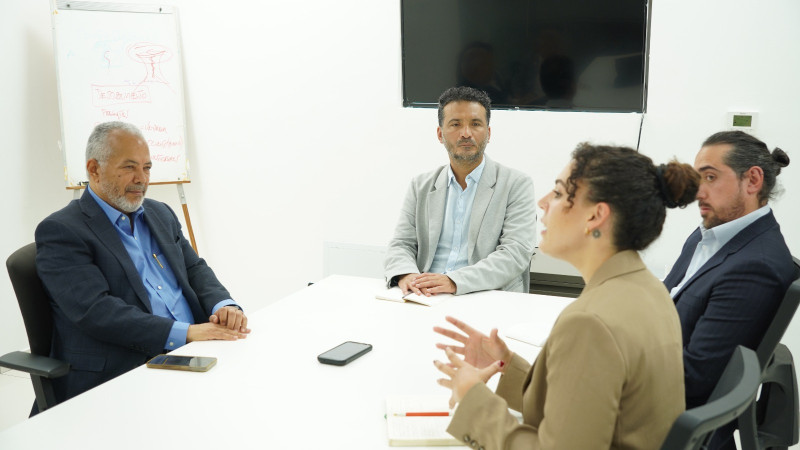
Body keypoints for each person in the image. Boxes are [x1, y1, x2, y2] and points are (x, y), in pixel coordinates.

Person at [434, 143, 700, 449]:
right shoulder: (650, 290)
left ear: (595, 216)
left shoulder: (590, 324)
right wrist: (507, 365)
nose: (543, 202)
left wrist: (473, 402)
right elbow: (590, 406)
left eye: (559, 194)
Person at [34, 121, 250, 411]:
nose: (141, 179)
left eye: (147, 168)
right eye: (129, 167)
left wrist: (223, 306)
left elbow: (195, 269)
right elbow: (97, 312)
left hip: (197, 349)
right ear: (94, 169)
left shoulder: (160, 214)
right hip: (130, 367)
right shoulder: (62, 230)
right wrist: (185, 333)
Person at [663, 131, 796, 449]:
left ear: (752, 180)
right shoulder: (710, 234)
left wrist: (616, 363)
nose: (698, 193)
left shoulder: (756, 266)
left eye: (710, 177)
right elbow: (666, 299)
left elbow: (695, 380)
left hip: (669, 420)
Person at [384, 86, 536, 296]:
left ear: (488, 133)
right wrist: (406, 274)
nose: (466, 133)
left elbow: (515, 254)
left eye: (475, 124)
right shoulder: (420, 185)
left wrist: (454, 281)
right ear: (440, 134)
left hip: (486, 295)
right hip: (426, 296)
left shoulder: (516, 184)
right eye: (455, 124)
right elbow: (401, 244)